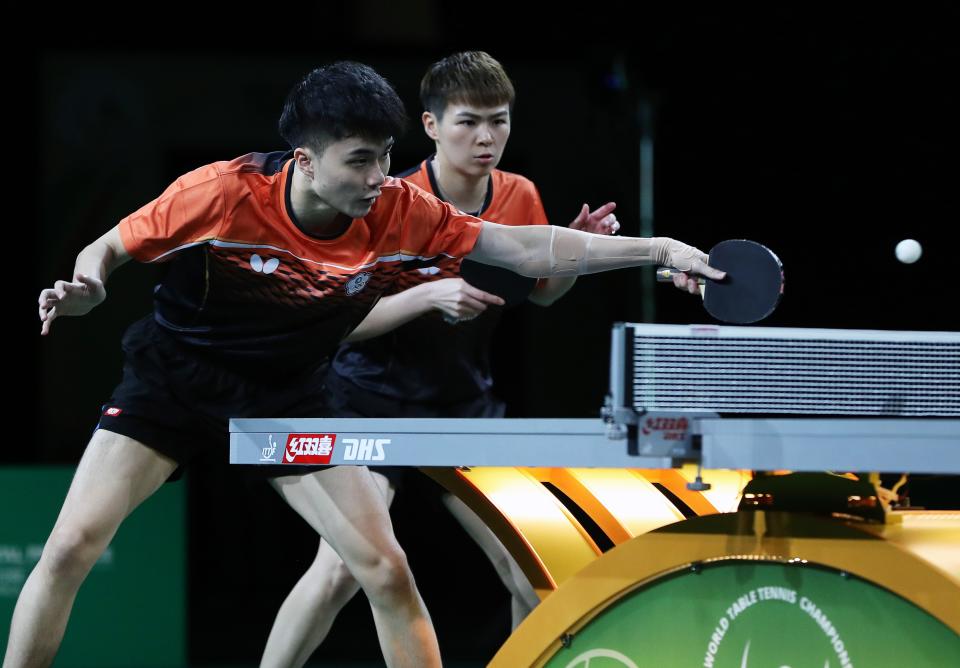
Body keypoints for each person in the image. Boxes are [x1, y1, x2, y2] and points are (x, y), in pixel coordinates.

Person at [13, 60, 720, 668]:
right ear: (305, 158)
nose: (379, 176)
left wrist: (659, 250)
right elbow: (107, 247)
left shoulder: (401, 211)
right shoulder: (223, 193)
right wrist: (88, 289)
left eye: (385, 155)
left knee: (384, 569)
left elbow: (530, 251)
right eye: (359, 159)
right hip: (175, 376)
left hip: (288, 392)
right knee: (73, 544)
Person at [259, 51, 622, 667]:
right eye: (468, 122)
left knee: (527, 564)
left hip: (462, 406)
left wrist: (573, 258)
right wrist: (428, 296)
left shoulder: (518, 195)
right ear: (430, 126)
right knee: (340, 571)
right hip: (369, 402)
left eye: (499, 121)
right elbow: (339, 326)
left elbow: (539, 294)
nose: (486, 138)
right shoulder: (390, 202)